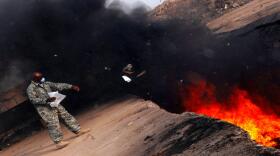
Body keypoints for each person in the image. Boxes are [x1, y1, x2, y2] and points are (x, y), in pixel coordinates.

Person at [26, 72, 90, 149]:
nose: (42, 79)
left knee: (66, 116)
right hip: (45, 109)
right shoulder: (31, 89)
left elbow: (57, 85)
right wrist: (46, 100)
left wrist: (71, 86)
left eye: (42, 77)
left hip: (55, 104)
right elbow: (33, 100)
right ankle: (58, 142)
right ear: (35, 79)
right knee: (53, 124)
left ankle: (78, 130)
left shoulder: (45, 83)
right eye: (40, 78)